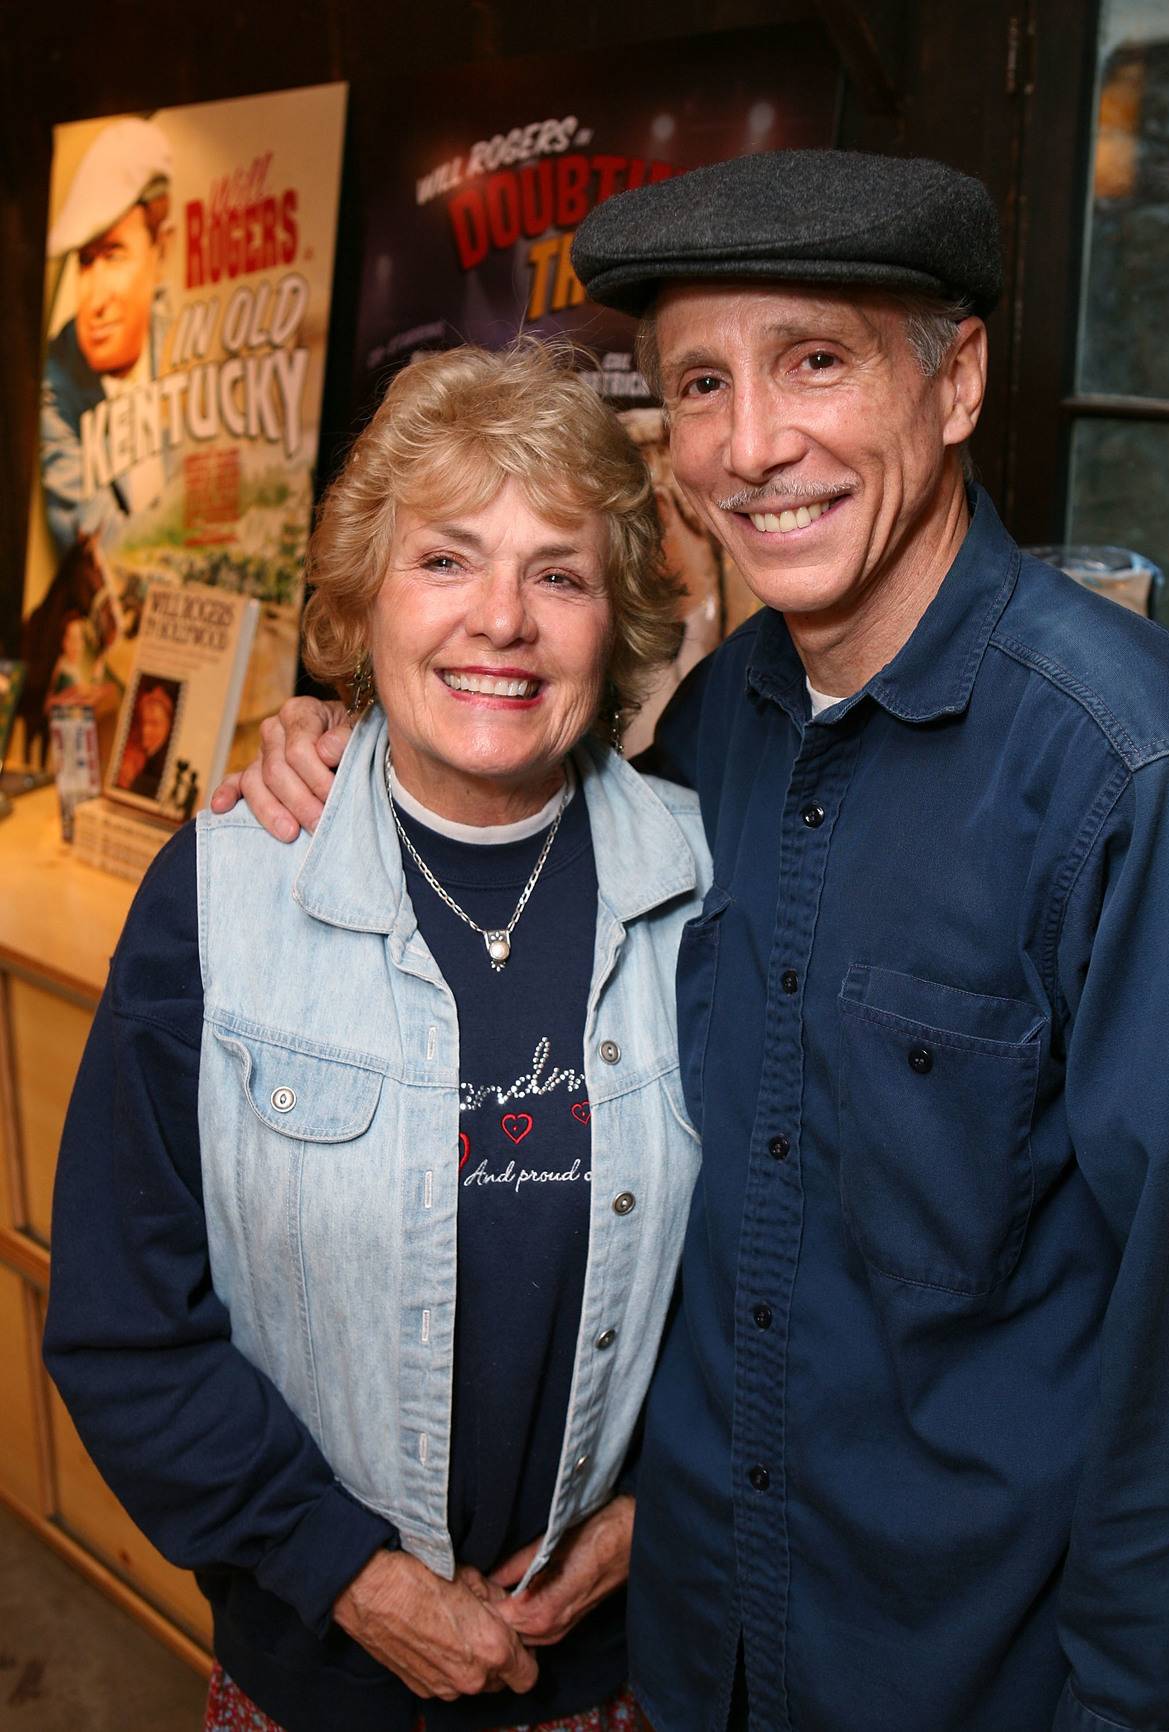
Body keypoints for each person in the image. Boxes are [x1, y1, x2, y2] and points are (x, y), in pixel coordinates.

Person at [223, 149, 1169, 1732]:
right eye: (699, 382)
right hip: (697, 1657)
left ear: (953, 383)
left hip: (968, 1680)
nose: (756, 445)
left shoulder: (1129, 775)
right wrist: (325, 746)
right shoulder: (705, 746)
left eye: (815, 360)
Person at [44, 341, 710, 1732]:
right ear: (361, 603)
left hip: (614, 1677)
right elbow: (120, 1327)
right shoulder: (223, 895)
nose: (502, 621)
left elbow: (789, 1287)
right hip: (314, 1683)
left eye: (560, 573)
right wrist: (350, 1579)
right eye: (447, 560)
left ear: (620, 619)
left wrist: (658, 1513)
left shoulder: (708, 896)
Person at [40, 116, 173, 557]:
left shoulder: (190, 340)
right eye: (85, 262)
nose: (94, 300)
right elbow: (106, 549)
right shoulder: (55, 386)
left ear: (162, 253)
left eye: (114, 256)